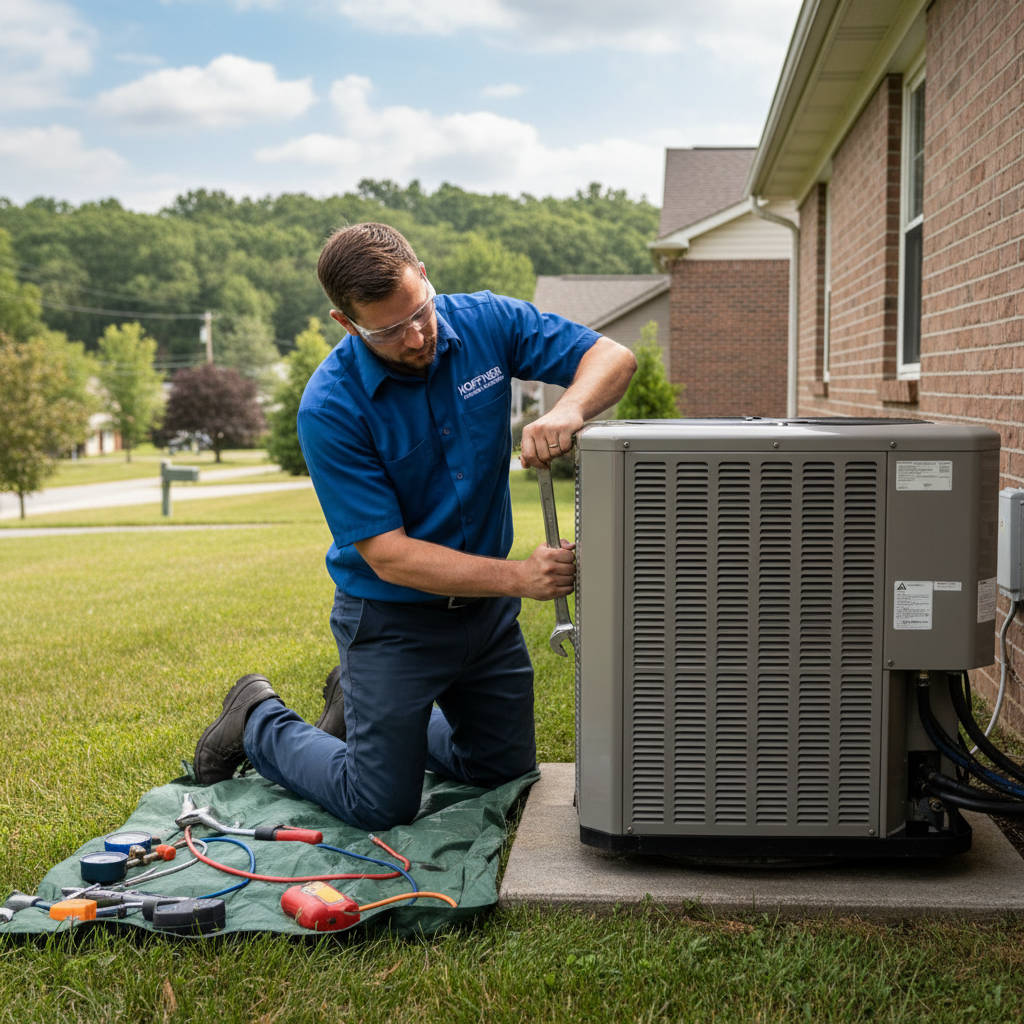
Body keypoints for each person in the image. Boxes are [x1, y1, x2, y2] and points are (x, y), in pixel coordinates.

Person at [193, 222, 636, 830]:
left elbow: (613, 356)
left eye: (420, 311)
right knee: (378, 804)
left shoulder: (487, 322)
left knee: (502, 773)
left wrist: (568, 407)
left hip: (484, 621)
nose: (417, 334)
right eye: (388, 329)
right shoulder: (330, 407)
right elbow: (389, 556)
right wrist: (521, 577)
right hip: (391, 620)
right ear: (346, 324)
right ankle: (259, 720)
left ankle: (368, 710)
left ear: (423, 274)